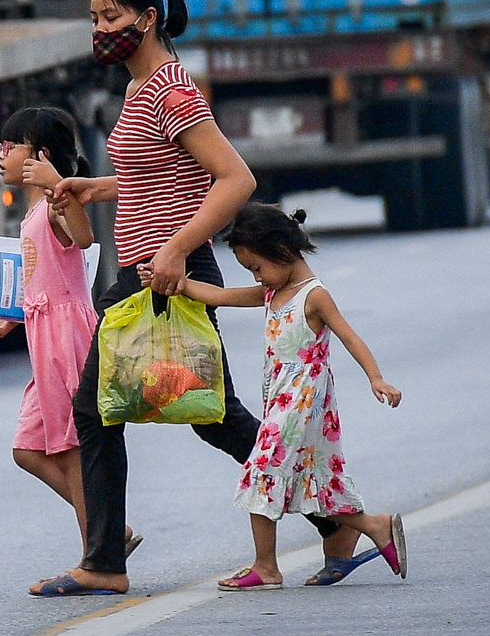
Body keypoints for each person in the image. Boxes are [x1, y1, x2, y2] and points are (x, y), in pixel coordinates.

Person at [30, 0, 359, 598]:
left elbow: (236, 178)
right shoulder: (139, 89)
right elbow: (156, 175)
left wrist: (178, 250)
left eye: (112, 17)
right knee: (212, 419)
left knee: (98, 413)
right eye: (95, 19)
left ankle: (103, 562)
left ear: (147, 18)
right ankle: (341, 521)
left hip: (164, 272)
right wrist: (94, 188)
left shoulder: (172, 91)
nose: (101, 30)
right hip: (151, 269)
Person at [143, 202, 406, 590]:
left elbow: (349, 336)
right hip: (283, 399)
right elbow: (220, 296)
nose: (257, 277)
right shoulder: (272, 291)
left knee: (261, 472)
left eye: (257, 267)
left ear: (282, 251)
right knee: (313, 479)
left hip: (303, 401)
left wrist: (377, 378)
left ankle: (266, 567)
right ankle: (373, 525)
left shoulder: (313, 295)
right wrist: (174, 283)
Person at [0, 108, 142, 562]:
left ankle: (99, 552)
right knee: (28, 449)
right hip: (41, 333)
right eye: (0, 148)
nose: (1, 156)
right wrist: (6, 322)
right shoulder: (31, 214)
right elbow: (38, 283)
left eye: (10, 147)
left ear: (41, 156)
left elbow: (84, 239)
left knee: (70, 449)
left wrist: (57, 188)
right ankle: (110, 529)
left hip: (66, 337)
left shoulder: (54, 206)